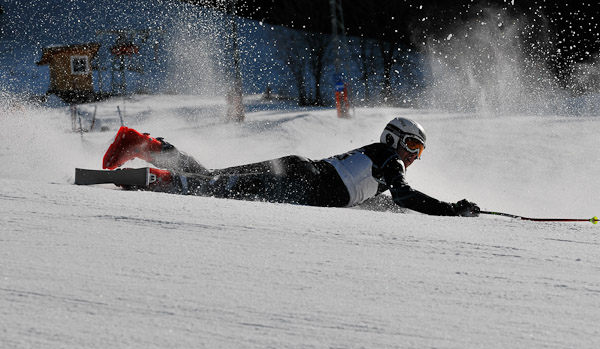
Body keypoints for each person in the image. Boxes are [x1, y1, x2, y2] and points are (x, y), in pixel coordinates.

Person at [102, 117, 480, 216]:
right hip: (302, 184)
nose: (415, 155)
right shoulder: (390, 160)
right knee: (214, 186)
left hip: (301, 172)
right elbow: (404, 196)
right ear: (396, 140)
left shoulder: (379, 162)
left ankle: (146, 147)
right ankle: (159, 178)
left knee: (213, 176)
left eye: (420, 150)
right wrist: (450, 210)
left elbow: (376, 197)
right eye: (413, 145)